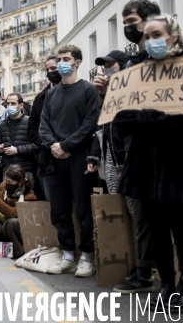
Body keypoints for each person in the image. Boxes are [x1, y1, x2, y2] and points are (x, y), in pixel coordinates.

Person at [114, 14, 183, 310]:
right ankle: (166, 284)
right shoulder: (137, 73)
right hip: (145, 163)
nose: (151, 40)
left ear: (173, 37)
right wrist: (157, 118)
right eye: (148, 35)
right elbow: (122, 119)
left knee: (180, 226)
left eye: (157, 34)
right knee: (156, 228)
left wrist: (147, 119)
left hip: (177, 161)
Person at [92, 0, 161, 294]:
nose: (127, 28)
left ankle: (180, 279)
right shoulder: (133, 67)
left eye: (131, 21)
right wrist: (110, 94)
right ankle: (150, 273)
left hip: (163, 152)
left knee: (170, 217)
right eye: (124, 23)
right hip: (134, 154)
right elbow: (121, 118)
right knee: (143, 214)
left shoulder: (167, 63)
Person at [39, 44, 100, 278]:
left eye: (67, 58)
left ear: (77, 62)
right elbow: (44, 124)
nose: (63, 62)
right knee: (59, 209)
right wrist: (54, 145)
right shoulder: (51, 93)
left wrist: (66, 145)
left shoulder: (88, 90)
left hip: (79, 157)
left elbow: (90, 123)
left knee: (83, 209)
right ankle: (67, 255)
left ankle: (86, 257)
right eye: (60, 58)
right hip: (56, 158)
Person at [87, 51, 129, 194]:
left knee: (134, 206)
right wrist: (94, 156)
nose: (106, 70)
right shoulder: (102, 94)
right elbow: (101, 129)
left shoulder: (131, 90)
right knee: (116, 200)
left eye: (111, 65)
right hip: (111, 154)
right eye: (104, 67)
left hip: (126, 155)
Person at [0, 164, 37, 259]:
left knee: (12, 221)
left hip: (17, 230)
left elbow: (13, 214)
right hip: (2, 225)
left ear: (19, 182)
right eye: (6, 180)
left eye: (10, 182)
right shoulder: (4, 186)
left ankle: (19, 251)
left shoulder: (29, 196)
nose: (7, 183)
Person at [28, 55, 61, 201]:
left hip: (73, 154)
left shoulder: (80, 90)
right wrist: (45, 142)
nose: (50, 72)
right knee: (53, 204)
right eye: (47, 69)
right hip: (48, 158)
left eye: (53, 68)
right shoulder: (40, 99)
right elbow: (33, 128)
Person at [0, 93, 39, 175]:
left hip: (25, 170)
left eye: (13, 103)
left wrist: (17, 150)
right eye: (8, 104)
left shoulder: (30, 122)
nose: (10, 106)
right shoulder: (3, 124)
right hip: (8, 171)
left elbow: (37, 146)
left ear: (21, 105)